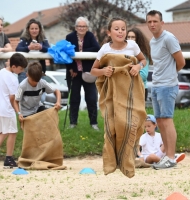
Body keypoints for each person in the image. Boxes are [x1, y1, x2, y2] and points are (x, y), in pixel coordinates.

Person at [90, 17, 147, 178]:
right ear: (109, 32)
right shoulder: (104, 49)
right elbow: (93, 70)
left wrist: (137, 66)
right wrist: (103, 72)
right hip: (113, 95)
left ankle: (127, 160)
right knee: (113, 127)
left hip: (131, 93)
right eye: (116, 29)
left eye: (123, 28)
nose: (120, 31)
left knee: (132, 124)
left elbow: (143, 60)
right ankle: (111, 162)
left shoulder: (133, 46)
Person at [146, 10, 186, 169]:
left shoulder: (168, 38)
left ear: (162, 23)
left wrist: (169, 76)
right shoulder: (152, 41)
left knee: (167, 120)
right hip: (155, 85)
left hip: (167, 85)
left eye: (155, 21)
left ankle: (170, 158)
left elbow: (181, 62)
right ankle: (167, 155)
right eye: (149, 22)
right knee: (160, 121)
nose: (152, 24)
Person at [0, 53, 28, 169]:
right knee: (12, 132)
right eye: (20, 69)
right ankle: (8, 158)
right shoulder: (13, 78)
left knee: (3, 132)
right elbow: (12, 98)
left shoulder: (1, 72)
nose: (21, 71)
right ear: (14, 66)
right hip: (7, 108)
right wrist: (18, 112)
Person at [65, 16, 100, 130]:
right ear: (76, 27)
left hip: (88, 72)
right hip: (74, 72)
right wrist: (71, 69)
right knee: (74, 98)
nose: (81, 28)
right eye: (79, 26)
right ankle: (73, 123)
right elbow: (65, 53)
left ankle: (94, 123)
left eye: (84, 26)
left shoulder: (90, 36)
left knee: (91, 98)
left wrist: (81, 53)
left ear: (87, 27)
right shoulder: (69, 37)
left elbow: (96, 48)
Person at [16, 18, 50, 83]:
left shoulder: (43, 39)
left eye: (36, 28)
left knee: (41, 92)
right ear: (28, 29)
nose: (34, 31)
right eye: (32, 29)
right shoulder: (23, 39)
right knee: (24, 92)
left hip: (39, 71)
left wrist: (41, 47)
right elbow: (18, 49)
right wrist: (29, 48)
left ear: (39, 29)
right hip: (25, 72)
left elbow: (49, 49)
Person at [127, 27, 152, 101]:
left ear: (138, 39)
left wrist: (126, 76)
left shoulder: (143, 53)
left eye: (133, 37)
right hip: (125, 89)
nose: (130, 39)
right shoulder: (124, 52)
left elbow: (144, 75)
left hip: (140, 89)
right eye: (128, 37)